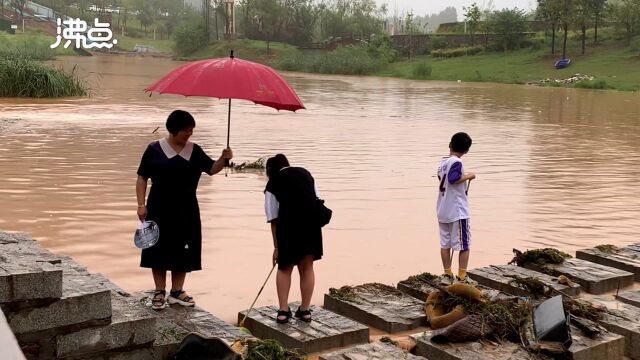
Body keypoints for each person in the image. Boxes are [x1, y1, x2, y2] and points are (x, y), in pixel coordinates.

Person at [136, 110, 233, 311]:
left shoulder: (194, 151)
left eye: (191, 130)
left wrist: (224, 159)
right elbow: (142, 177)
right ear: (173, 130)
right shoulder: (154, 149)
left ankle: (177, 291)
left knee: (184, 248)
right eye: (185, 131)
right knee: (158, 248)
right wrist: (141, 204)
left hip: (187, 208)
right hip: (159, 207)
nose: (189, 134)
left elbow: (211, 169)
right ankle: (160, 290)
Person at [264, 154, 323, 323]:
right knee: (307, 268)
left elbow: (273, 219)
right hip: (312, 226)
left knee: (284, 268)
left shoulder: (273, 182)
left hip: (288, 228)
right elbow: (317, 199)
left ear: (270, 171)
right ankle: (305, 310)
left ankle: (283, 311)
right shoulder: (306, 173)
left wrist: (276, 248)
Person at [436, 132, 475, 284]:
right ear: (466, 151)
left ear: (450, 145)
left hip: (443, 209)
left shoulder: (443, 163)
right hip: (457, 210)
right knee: (465, 244)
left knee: (445, 244)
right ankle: (462, 276)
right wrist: (470, 176)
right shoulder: (456, 162)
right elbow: (453, 180)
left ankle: (447, 274)